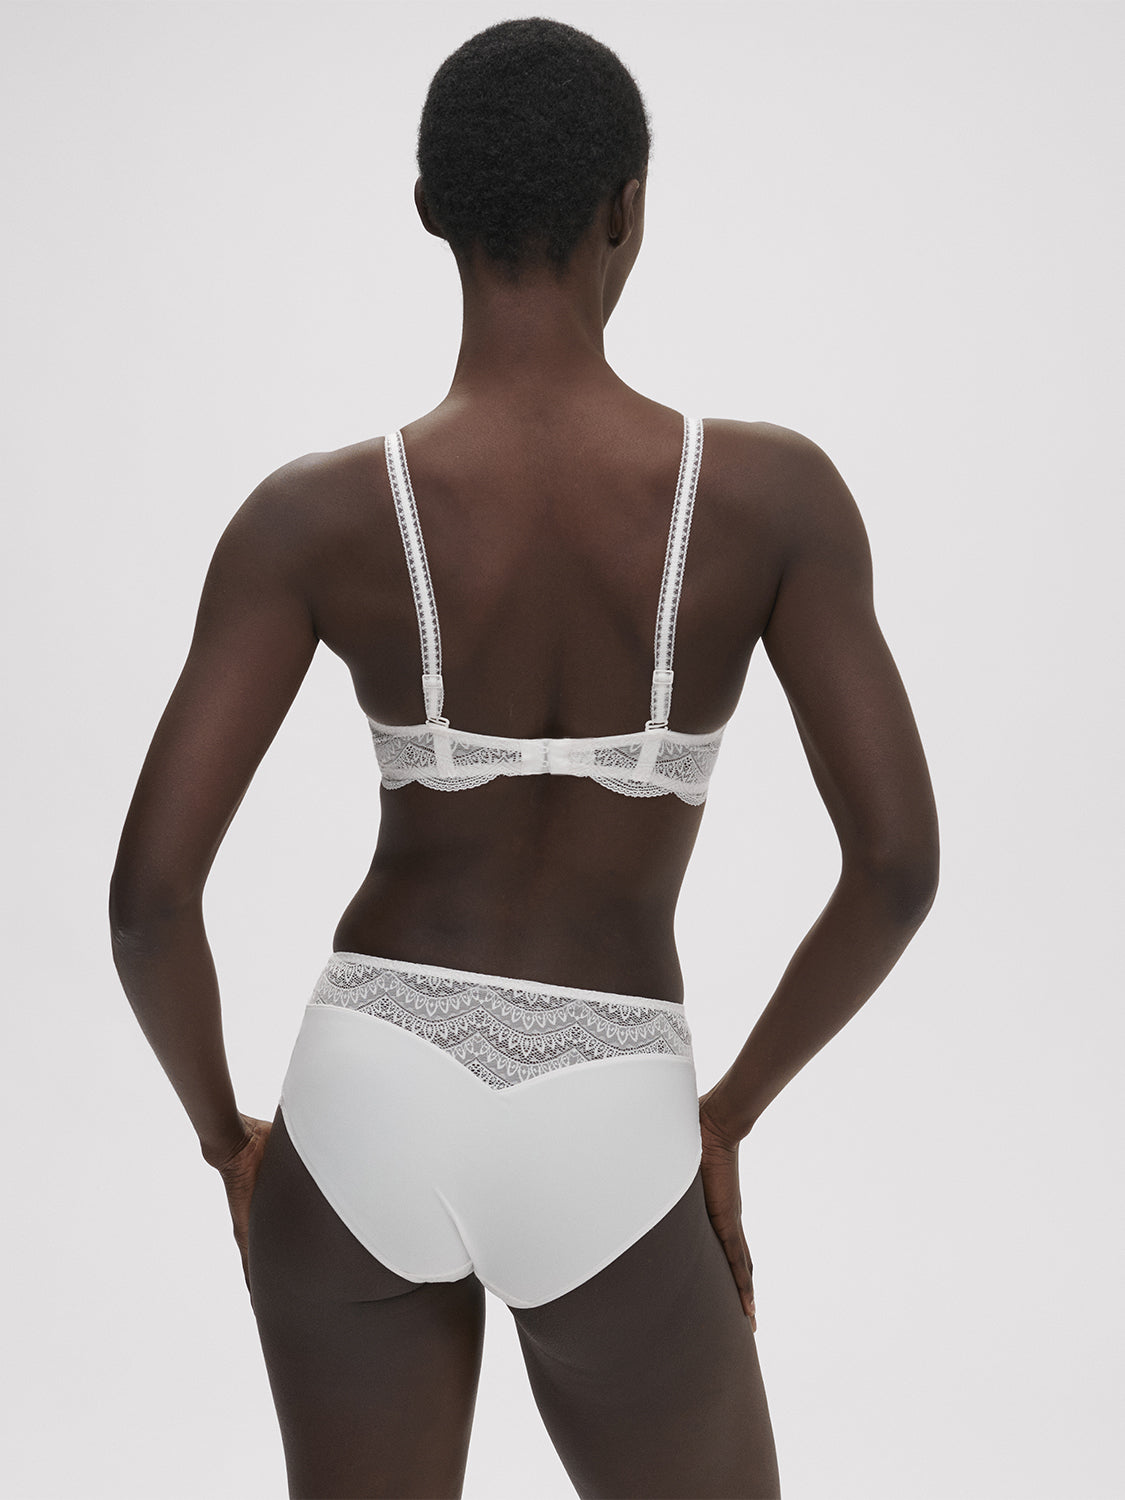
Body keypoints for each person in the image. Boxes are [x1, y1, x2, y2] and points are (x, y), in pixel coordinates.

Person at [109, 17, 939, 1500]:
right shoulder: (773, 499)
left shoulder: (311, 517)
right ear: (630, 207)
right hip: (612, 1099)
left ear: (429, 207)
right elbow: (894, 869)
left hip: (363, 1084)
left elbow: (149, 899)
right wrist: (724, 1119)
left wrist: (224, 1139)